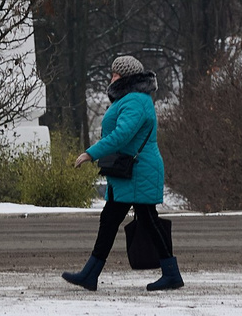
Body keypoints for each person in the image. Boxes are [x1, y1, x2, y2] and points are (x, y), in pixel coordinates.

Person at [61, 55, 181, 292]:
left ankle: (171, 273)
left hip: (139, 171)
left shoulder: (136, 101)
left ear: (126, 77)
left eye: (116, 74)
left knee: (145, 221)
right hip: (128, 173)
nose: (112, 77)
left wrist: (90, 153)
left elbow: (121, 135)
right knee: (112, 220)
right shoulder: (128, 99)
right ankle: (90, 274)